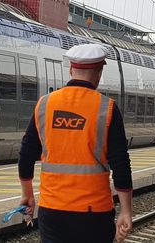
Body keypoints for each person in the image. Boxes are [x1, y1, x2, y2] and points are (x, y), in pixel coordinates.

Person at [18, 43, 133, 243]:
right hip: (93, 213)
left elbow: (26, 156)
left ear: (71, 69)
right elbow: (121, 165)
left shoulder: (44, 104)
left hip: (52, 210)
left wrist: (27, 194)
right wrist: (126, 211)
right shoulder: (107, 109)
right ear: (99, 73)